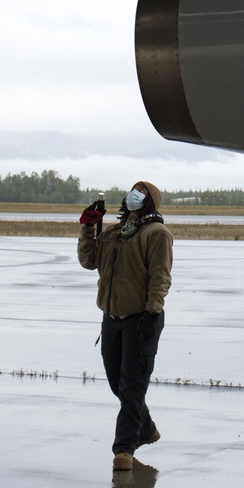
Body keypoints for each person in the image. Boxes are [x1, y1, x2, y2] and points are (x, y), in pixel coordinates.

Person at [78, 179, 173, 470]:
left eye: (142, 193)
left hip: (141, 319)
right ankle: (146, 428)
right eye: (134, 191)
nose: (134, 195)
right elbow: (89, 261)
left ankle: (124, 450)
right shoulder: (113, 233)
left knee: (132, 386)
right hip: (111, 319)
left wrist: (152, 311)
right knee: (117, 383)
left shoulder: (157, 233)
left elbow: (161, 276)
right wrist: (88, 227)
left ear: (151, 201)